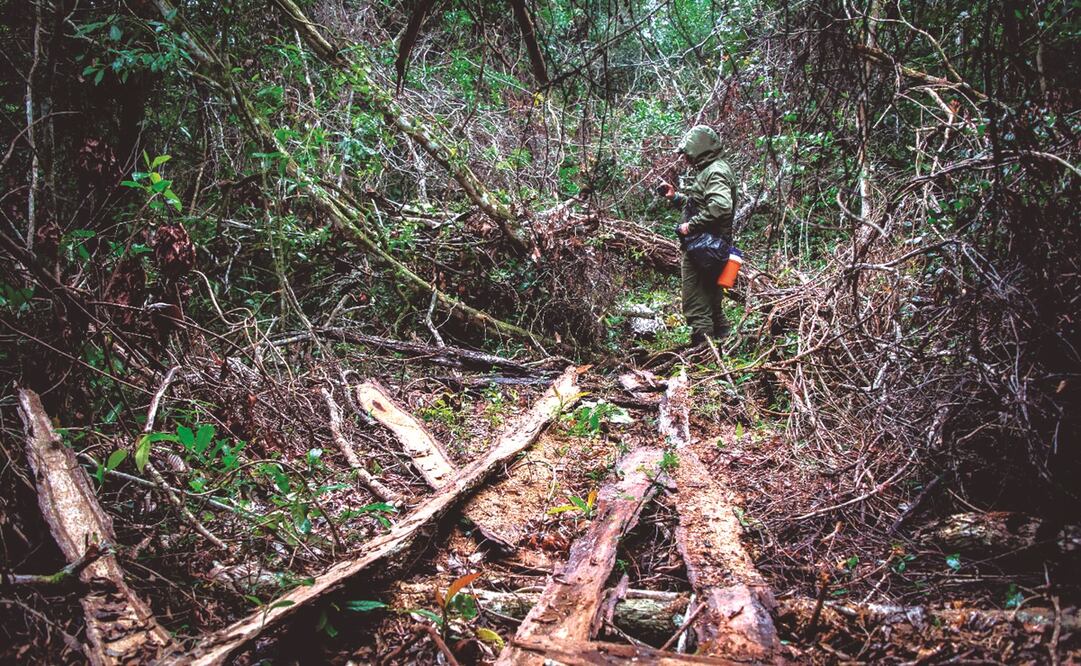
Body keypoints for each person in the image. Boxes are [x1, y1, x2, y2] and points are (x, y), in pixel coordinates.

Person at [656, 125, 738, 346]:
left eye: (687, 154)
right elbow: (700, 204)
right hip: (711, 246)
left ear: (698, 150)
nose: (686, 159)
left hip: (704, 248)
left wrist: (690, 226)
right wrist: (675, 197)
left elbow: (721, 207)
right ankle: (723, 343)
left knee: (694, 301)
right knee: (711, 298)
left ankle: (703, 349)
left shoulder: (715, 171)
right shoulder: (713, 169)